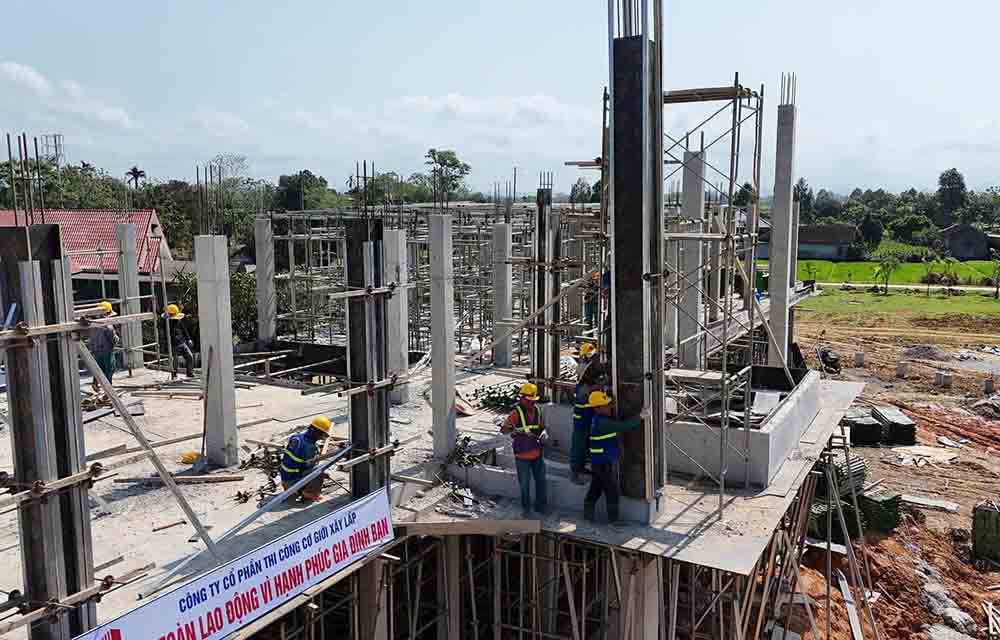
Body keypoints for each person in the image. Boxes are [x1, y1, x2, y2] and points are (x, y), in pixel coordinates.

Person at [584, 391, 647, 524]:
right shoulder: (602, 423)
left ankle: (588, 515)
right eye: (607, 405)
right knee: (611, 491)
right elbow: (622, 426)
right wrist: (640, 417)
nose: (610, 406)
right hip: (603, 464)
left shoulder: (600, 420)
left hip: (599, 463)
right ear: (598, 408)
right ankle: (613, 520)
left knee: (595, 489)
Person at [500, 383, 548, 516]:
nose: (531, 404)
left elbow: (542, 427)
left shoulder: (538, 411)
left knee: (541, 481)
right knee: (525, 484)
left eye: (533, 401)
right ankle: (526, 508)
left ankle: (541, 506)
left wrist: (544, 433)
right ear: (522, 398)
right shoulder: (516, 413)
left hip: (537, 453)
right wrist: (510, 428)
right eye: (529, 401)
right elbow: (503, 430)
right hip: (522, 457)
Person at [280, 416, 333, 503]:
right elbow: (310, 469)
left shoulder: (296, 437)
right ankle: (308, 493)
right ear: (318, 433)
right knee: (320, 470)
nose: (324, 437)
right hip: (292, 483)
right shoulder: (309, 447)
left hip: (284, 480)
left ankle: (294, 489)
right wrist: (322, 475)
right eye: (324, 435)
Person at [570, 343, 600, 484]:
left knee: (586, 441)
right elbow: (586, 390)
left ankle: (581, 467)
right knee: (579, 442)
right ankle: (575, 470)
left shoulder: (588, 366)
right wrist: (600, 385)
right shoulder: (583, 370)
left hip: (588, 414)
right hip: (582, 415)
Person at [89, 301, 119, 387]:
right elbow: (114, 340)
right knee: (109, 370)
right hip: (107, 352)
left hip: (96, 351)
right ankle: (108, 391)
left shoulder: (92, 324)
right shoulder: (108, 326)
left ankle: (95, 384)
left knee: (98, 369)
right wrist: (117, 338)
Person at [162, 304, 195, 378]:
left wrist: (188, 339)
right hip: (173, 343)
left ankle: (190, 372)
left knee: (190, 356)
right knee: (175, 359)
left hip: (181, 342)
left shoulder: (177, 320)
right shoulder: (166, 323)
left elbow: (184, 330)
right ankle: (174, 373)